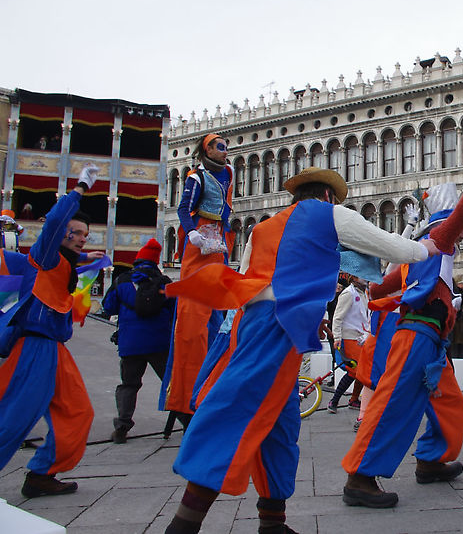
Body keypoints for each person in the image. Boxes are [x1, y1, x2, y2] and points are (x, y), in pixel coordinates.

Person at [161, 167, 438, 534]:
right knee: (236, 414)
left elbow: (250, 280)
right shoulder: (329, 214)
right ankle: (183, 526)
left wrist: (306, 318)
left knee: (281, 423)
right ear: (327, 195)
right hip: (277, 329)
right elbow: (392, 248)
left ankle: (272, 522)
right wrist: (426, 247)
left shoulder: (264, 227)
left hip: (254, 323)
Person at [341, 151, 463, 509]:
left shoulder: (423, 252)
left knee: (449, 401)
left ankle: (431, 460)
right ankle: (360, 477)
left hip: (432, 342)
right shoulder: (441, 237)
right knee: (394, 404)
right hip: (417, 337)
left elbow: (377, 289)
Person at [0, 164, 103, 497]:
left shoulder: (61, 262)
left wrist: (84, 257)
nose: (82, 238)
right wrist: (81, 187)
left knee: (78, 412)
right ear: (61, 233)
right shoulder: (43, 255)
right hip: (33, 347)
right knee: (14, 416)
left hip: (55, 349)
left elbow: (64, 267)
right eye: (77, 233)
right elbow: (56, 223)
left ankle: (41, 475)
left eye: (85, 235)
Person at [163, 133, 234, 420]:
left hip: (217, 240)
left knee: (217, 307)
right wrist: (191, 231)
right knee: (194, 313)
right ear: (208, 150)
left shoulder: (227, 173)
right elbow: (184, 208)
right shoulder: (197, 177)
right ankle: (186, 390)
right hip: (200, 241)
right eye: (220, 147)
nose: (225, 151)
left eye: (226, 147)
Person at [102, 238, 175, 444]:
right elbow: (174, 310)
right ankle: (189, 423)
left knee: (129, 385)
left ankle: (122, 427)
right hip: (159, 342)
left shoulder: (122, 281)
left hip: (130, 344)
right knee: (171, 384)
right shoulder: (164, 283)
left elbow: (109, 307)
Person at [327, 268, 371, 413]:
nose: (366, 278)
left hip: (361, 337)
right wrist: (337, 337)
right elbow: (338, 317)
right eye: (362, 275)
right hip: (350, 337)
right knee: (355, 371)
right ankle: (334, 401)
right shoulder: (348, 293)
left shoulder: (364, 293)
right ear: (354, 277)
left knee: (362, 371)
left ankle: (353, 399)